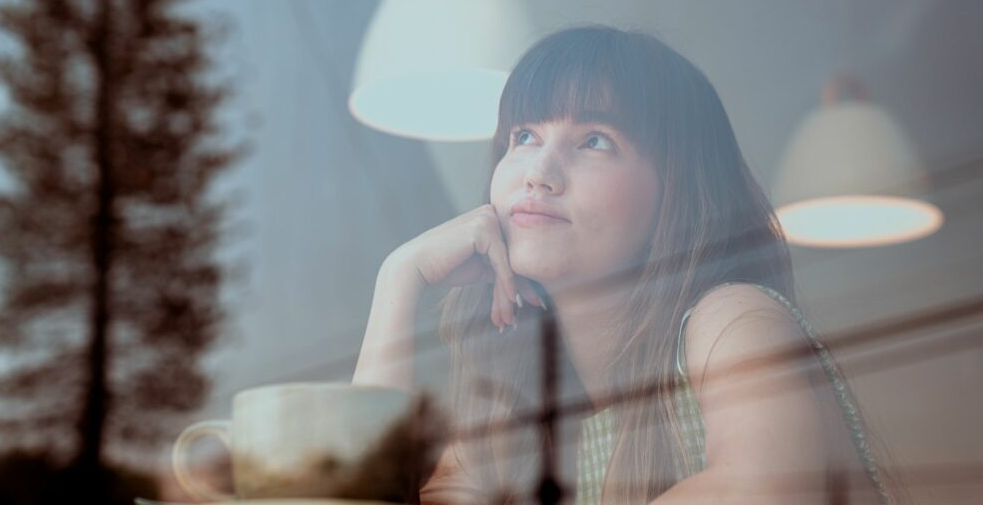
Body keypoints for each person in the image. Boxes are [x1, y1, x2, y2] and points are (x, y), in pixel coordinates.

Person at [353, 25, 904, 504]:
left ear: (676, 190)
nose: (538, 172)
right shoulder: (518, 405)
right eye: (523, 137)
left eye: (594, 141)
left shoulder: (730, 320)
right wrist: (399, 281)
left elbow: (760, 491)